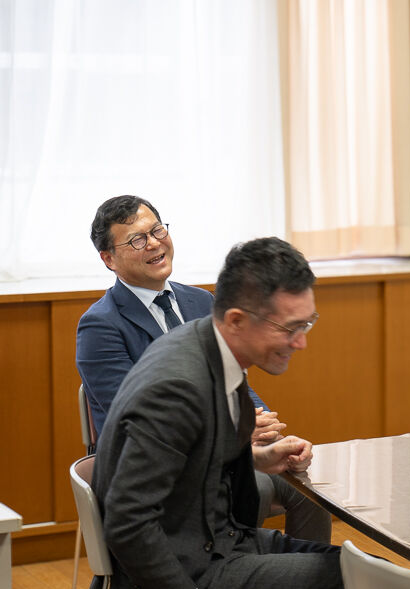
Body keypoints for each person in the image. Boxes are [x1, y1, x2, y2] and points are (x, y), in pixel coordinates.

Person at [87, 237, 347, 589]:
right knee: (361, 586)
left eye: (307, 323)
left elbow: (190, 454)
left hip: (220, 543)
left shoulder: (208, 343)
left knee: (368, 574)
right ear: (237, 320)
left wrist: (257, 458)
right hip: (182, 578)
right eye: (290, 328)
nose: (302, 342)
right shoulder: (176, 388)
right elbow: (127, 522)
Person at [76, 195, 331, 543]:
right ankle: (234, 570)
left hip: (225, 453)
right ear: (108, 259)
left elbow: (235, 379)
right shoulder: (100, 325)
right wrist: (235, 431)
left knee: (309, 488)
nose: (154, 243)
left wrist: (266, 428)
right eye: (137, 240)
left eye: (157, 230)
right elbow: (135, 418)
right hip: (154, 469)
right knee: (248, 489)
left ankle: (304, 576)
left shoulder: (201, 301)